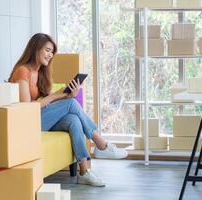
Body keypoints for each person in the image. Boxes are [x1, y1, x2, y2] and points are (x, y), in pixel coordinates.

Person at [9, 33, 128, 187]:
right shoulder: (22, 71)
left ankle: (84, 171)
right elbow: (26, 108)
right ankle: (101, 144)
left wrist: (66, 95)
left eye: (52, 52)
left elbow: (43, 102)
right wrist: (56, 97)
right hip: (26, 122)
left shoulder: (41, 73)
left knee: (74, 120)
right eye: (47, 50)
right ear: (35, 48)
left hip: (39, 118)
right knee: (71, 104)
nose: (50, 55)